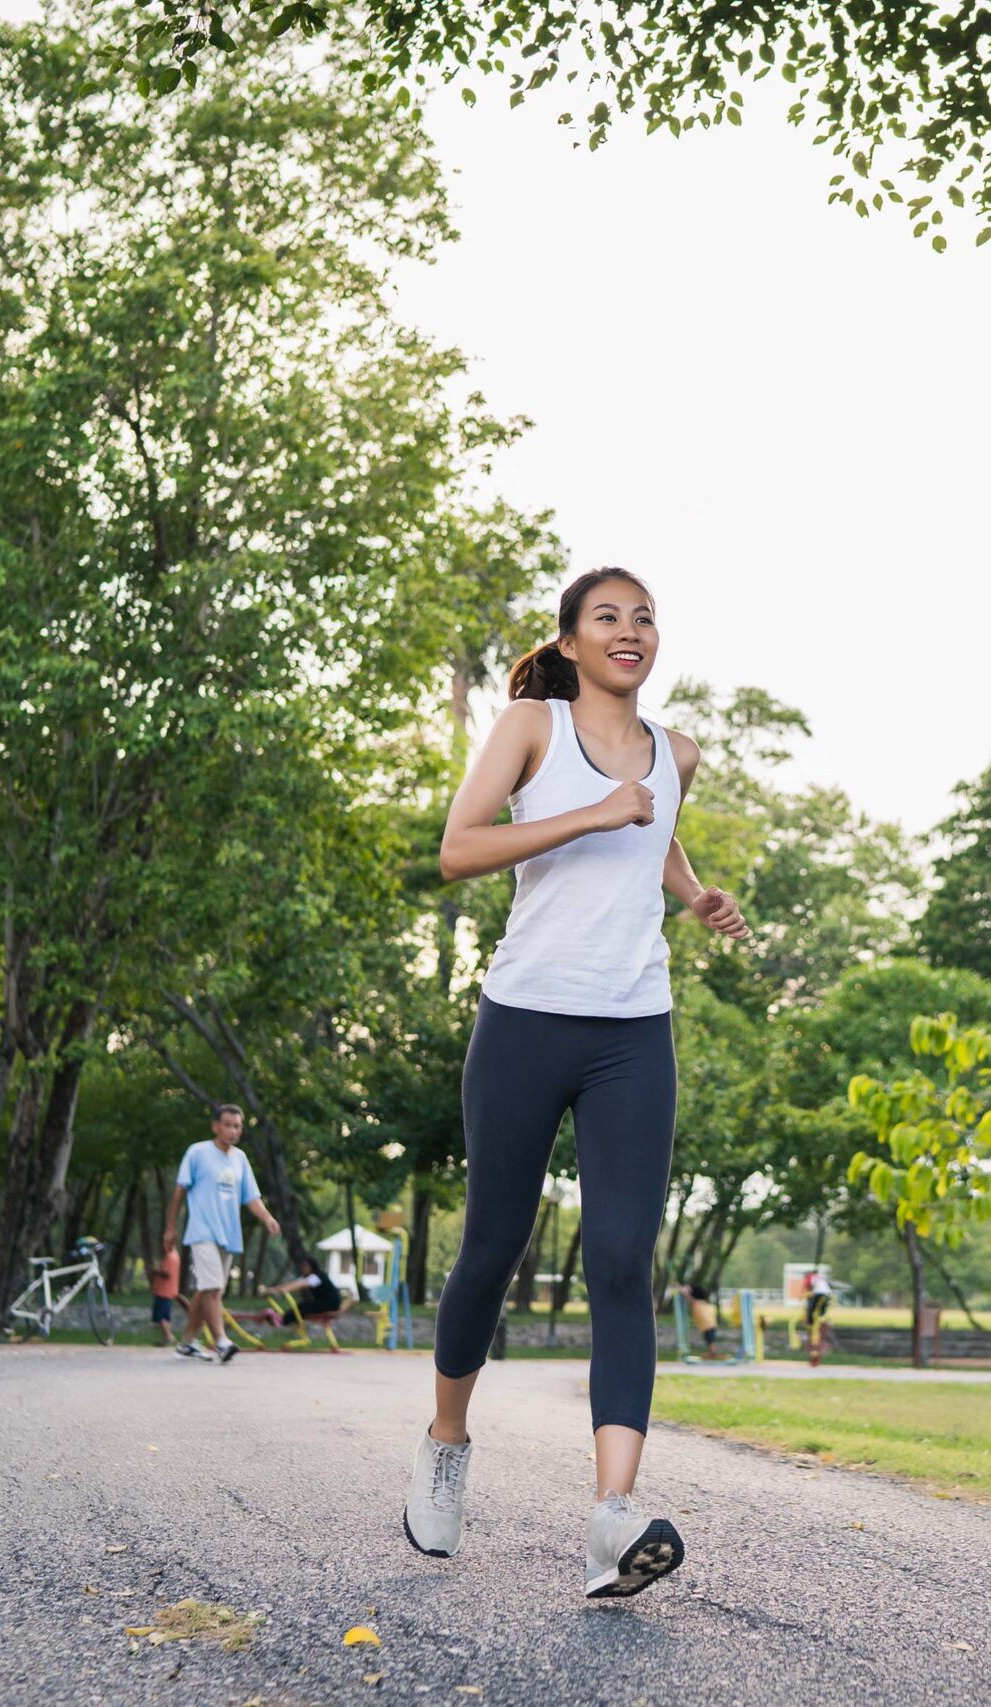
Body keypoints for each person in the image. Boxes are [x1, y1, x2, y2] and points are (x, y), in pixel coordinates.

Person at [406, 568, 749, 1599]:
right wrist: (588, 817)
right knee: (490, 1251)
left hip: (632, 1031)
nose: (631, 630)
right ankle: (446, 1438)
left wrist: (693, 893)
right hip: (525, 1020)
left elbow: (659, 821)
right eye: (609, 617)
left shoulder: (676, 754)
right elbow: (459, 849)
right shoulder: (529, 726)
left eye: (645, 617)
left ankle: (611, 1522)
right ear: (570, 641)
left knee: (618, 1257)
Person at [165, 1103, 281, 1363]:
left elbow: (251, 1197)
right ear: (215, 1126)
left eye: (237, 1126)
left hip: (228, 1235)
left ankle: (187, 1343)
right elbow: (179, 1192)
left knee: (207, 1290)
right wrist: (170, 1227)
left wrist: (267, 1218)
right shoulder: (197, 1152)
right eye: (228, 1125)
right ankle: (221, 1341)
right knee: (214, 1288)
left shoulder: (240, 1158)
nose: (233, 1131)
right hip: (202, 1230)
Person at [676, 1281, 723, 1360]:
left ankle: (713, 1352)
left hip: (708, 1323)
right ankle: (712, 1352)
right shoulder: (701, 1302)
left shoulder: (697, 1302)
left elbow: (687, 1296)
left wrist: (680, 1288)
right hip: (708, 1323)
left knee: (710, 1339)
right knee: (709, 1339)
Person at [148, 1242, 183, 1348]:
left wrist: (154, 1271)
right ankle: (165, 1338)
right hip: (169, 1291)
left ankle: (169, 1337)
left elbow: (167, 1274)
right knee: (166, 1316)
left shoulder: (170, 1257)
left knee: (159, 1316)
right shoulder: (176, 1255)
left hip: (164, 1291)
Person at [802, 1269, 834, 1368]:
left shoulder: (811, 1278)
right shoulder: (820, 1279)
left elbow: (808, 1287)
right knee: (820, 1310)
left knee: (811, 1309)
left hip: (819, 1294)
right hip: (827, 1294)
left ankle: (810, 1320)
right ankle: (820, 1316)